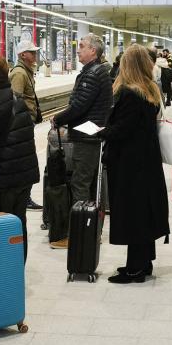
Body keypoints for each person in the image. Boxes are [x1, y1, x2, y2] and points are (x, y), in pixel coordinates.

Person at [100, 44, 169, 283]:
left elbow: (122, 129)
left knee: (133, 213)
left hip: (131, 164)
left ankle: (135, 269)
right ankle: (143, 262)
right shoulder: (150, 89)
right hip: (146, 161)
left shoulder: (131, 93)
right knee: (143, 211)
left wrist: (101, 132)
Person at [0, 52, 40, 260]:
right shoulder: (17, 100)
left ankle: (1, 274)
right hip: (24, 175)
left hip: (1, 178)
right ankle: (16, 272)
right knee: (18, 223)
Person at [52, 34, 112, 212]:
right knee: (88, 181)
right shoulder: (96, 71)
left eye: (82, 46)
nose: (78, 50)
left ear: (93, 51)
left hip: (86, 137)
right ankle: (90, 226)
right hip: (91, 134)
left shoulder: (92, 74)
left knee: (80, 182)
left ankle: (81, 226)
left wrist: (58, 119)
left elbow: (78, 106)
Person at [10, 42, 44, 211]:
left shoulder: (26, 71)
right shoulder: (19, 73)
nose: (35, 55)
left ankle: (25, 197)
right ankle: (24, 198)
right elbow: (15, 100)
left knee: (27, 160)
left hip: (27, 121)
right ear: (23, 55)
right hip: (23, 123)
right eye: (31, 52)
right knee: (25, 160)